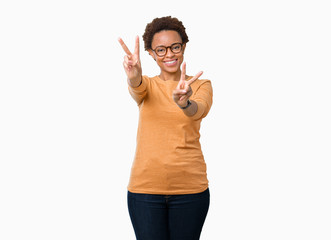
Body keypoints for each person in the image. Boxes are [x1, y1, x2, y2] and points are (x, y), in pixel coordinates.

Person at [118, 16, 213, 240]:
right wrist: (133, 77)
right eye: (160, 50)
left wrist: (185, 102)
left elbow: (198, 110)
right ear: (151, 53)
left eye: (174, 47)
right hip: (144, 191)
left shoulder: (201, 85)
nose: (169, 54)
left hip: (191, 190)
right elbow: (137, 89)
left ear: (184, 47)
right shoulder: (147, 85)